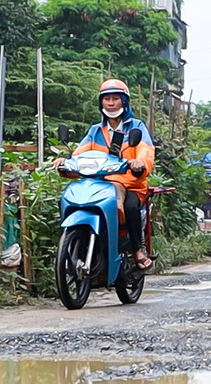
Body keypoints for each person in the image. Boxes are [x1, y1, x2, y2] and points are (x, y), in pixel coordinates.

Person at [67, 79, 156, 270]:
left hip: (131, 183)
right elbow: (79, 153)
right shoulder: (95, 131)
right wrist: (66, 163)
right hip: (100, 183)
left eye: (116, 98)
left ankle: (137, 250)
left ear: (124, 101)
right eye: (106, 99)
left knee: (130, 207)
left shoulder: (136, 127)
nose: (110, 102)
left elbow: (146, 151)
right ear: (101, 103)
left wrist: (139, 163)